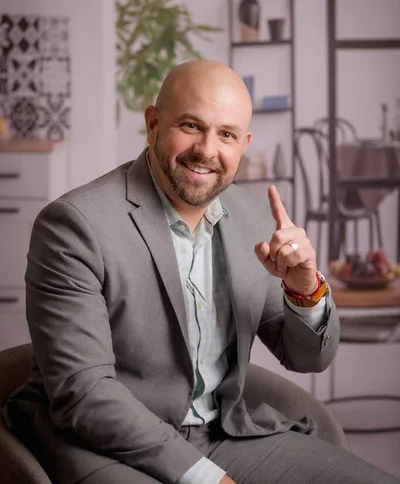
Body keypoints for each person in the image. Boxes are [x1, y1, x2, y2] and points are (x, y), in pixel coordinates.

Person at [3, 60, 398, 484]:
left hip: (223, 435)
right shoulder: (75, 224)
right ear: (153, 123)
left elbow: (308, 357)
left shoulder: (252, 217)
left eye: (226, 134)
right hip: (101, 445)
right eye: (191, 125)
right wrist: (205, 477)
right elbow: (83, 396)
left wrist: (305, 290)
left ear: (243, 144)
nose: (208, 150)